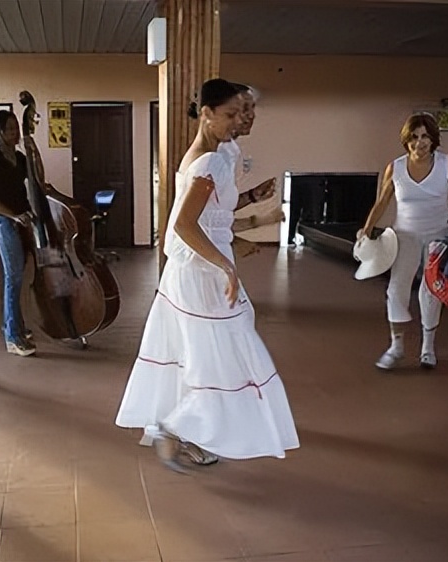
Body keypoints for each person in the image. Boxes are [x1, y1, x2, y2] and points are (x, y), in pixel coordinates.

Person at [115, 79, 299, 470]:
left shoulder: (216, 153)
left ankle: (189, 432)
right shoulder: (210, 160)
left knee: (199, 355)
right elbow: (184, 225)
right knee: (222, 355)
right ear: (207, 114)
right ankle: (174, 427)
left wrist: (251, 199)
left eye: (245, 112)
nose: (239, 120)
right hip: (201, 273)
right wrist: (226, 264)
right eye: (231, 114)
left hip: (194, 270)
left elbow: (212, 213)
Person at [359, 113, 448, 370]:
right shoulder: (396, 167)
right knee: (396, 289)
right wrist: (366, 230)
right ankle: (396, 345)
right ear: (406, 141)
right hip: (405, 236)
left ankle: (427, 347)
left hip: (438, 235)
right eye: (414, 138)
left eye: (425, 137)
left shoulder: (447, 164)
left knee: (430, 290)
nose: (419, 143)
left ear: (433, 139)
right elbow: (382, 202)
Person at [0, 110, 36, 357]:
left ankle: (15, 325)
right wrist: (14, 216)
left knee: (18, 276)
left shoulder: (20, 157)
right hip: (5, 223)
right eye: (10, 129)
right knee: (13, 278)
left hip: (23, 221)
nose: (16, 133)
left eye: (17, 129)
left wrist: (33, 151)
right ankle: (12, 337)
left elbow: (39, 180)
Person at [224, 83, 284, 259]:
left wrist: (252, 196)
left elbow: (218, 209)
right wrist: (234, 241)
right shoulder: (211, 156)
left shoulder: (230, 150)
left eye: (253, 108)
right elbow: (193, 221)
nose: (251, 115)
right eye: (244, 109)